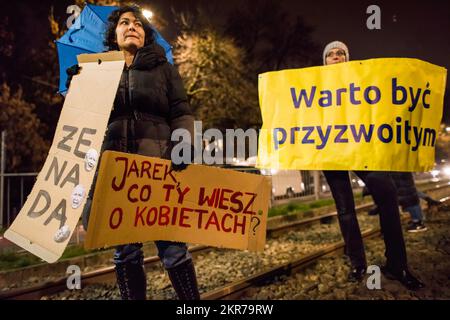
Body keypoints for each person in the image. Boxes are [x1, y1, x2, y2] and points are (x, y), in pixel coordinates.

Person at [67, 5, 199, 300]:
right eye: (124, 22)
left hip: (158, 168)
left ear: (145, 34)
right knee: (125, 249)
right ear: (114, 34)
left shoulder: (164, 69)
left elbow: (181, 111)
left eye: (138, 24)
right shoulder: (96, 71)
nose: (132, 27)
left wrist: (184, 144)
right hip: (116, 173)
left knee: (173, 246)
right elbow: (81, 119)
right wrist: (76, 81)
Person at [321, 41, 424, 290]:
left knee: (388, 196)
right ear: (324, 61)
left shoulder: (362, 79)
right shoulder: (315, 86)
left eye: (340, 53)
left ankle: (397, 265)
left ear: (347, 58)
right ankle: (358, 264)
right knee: (345, 208)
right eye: (331, 54)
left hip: (361, 148)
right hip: (330, 150)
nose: (336, 56)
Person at [363, 172, 430, 232]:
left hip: (399, 177)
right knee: (410, 197)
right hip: (401, 176)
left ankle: (418, 223)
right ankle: (417, 222)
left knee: (409, 199)